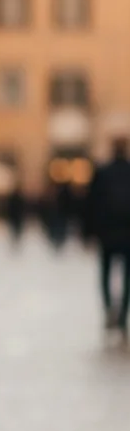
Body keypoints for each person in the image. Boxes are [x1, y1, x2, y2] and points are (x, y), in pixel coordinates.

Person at [86, 137, 130, 339]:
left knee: (105, 273)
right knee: (127, 276)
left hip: (107, 233)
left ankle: (108, 310)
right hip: (127, 233)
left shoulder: (102, 172)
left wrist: (89, 232)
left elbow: (91, 204)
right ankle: (122, 316)